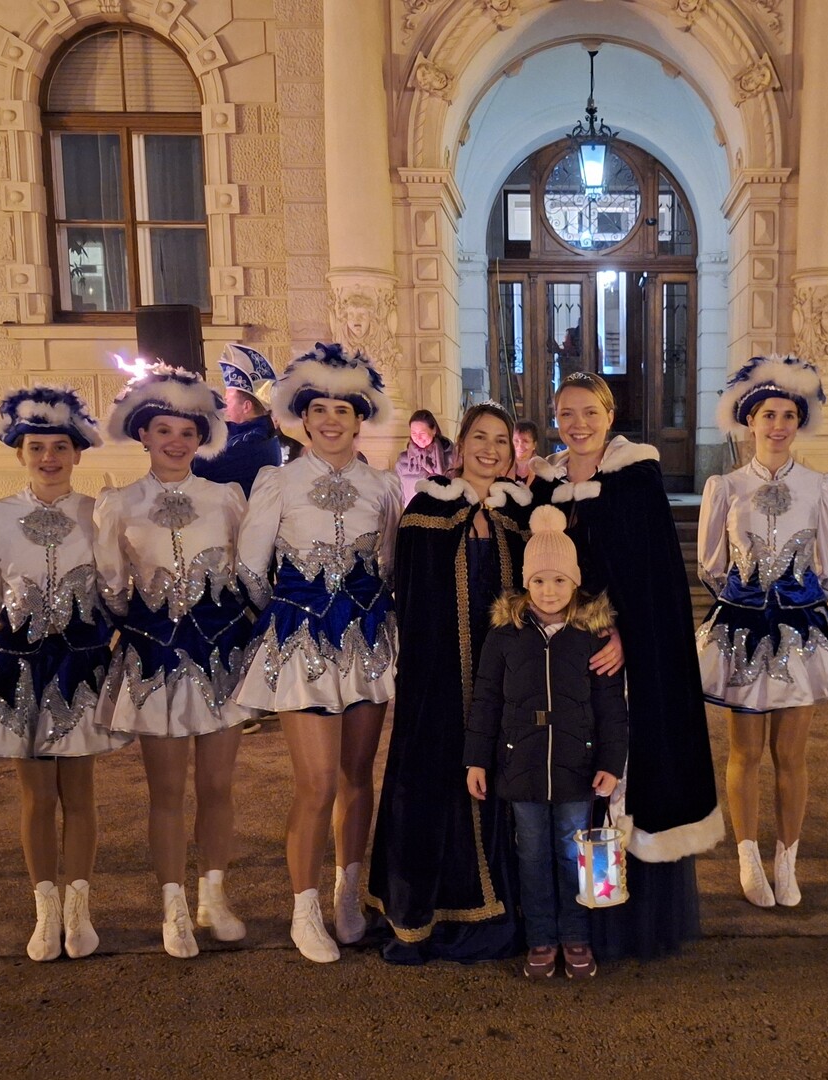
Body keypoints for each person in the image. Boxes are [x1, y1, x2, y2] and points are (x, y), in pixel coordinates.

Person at [0, 386, 129, 961]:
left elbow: (114, 587)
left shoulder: (98, 513)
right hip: (21, 669)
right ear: (19, 453)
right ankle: (46, 912)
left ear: (77, 453)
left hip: (81, 666)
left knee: (80, 793)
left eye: (60, 446)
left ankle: (79, 912)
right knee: (37, 797)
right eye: (36, 447)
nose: (49, 457)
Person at [527, 370, 723, 960]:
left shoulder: (635, 480)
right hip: (562, 661)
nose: (578, 423)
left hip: (622, 665)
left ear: (610, 417)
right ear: (555, 418)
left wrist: (629, 639)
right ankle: (574, 922)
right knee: (572, 784)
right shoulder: (545, 485)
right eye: (567, 413)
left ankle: (619, 917)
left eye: (590, 411)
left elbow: (655, 582)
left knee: (618, 780)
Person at [233, 343, 402, 963]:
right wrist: (292, 610)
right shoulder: (277, 481)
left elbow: (391, 565)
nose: (332, 421)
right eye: (320, 410)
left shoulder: (383, 486)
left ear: (360, 419)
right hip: (300, 643)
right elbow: (250, 568)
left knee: (359, 776)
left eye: (343, 410)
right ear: (302, 417)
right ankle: (303, 908)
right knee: (316, 783)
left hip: (366, 644)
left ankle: (347, 895)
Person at [94, 365, 256, 958]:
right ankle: (174, 908)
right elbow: (112, 589)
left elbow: (244, 573)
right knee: (166, 793)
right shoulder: (118, 504)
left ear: (202, 437)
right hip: (154, 660)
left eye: (187, 432)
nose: (176, 441)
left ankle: (214, 896)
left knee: (217, 786)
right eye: (163, 430)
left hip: (220, 660)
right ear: (143, 434)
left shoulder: (226, 497)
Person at [365, 402, 535, 963]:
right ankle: (428, 913)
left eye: (501, 441)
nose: (491, 449)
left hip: (506, 679)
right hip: (440, 678)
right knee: (435, 783)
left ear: (512, 452)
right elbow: (411, 599)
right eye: (480, 438)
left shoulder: (519, 517)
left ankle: (507, 907)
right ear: (459, 445)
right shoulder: (426, 511)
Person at [696, 356, 828, 908]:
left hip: (799, 632)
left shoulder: (821, 486)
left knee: (792, 753)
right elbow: (711, 564)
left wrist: (795, 596)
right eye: (768, 415)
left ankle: (788, 858)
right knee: (745, 751)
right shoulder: (726, 486)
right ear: (750, 422)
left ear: (799, 422)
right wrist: (749, 595)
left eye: (788, 415)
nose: (778, 426)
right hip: (742, 629)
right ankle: (748, 856)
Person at [465, 505, 630, 979]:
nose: (549, 590)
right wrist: (476, 759)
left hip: (578, 771)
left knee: (574, 853)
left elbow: (611, 708)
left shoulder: (591, 636)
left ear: (575, 582)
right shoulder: (505, 635)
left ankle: (576, 936)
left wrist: (612, 762)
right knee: (532, 855)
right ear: (525, 583)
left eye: (559, 580)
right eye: (538, 581)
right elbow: (486, 700)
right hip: (521, 767)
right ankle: (541, 938)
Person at [194, 343, 284, 495]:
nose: (225, 404)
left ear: (246, 406)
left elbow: (197, 467)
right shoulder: (247, 432)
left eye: (228, 399)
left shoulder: (254, 444)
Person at [394, 408, 452, 504]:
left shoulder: (451, 456)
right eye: (414, 433)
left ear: (434, 430)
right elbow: (398, 493)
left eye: (422, 433)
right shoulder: (403, 461)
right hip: (414, 512)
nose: (418, 438)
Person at [512, 419, 542, 483]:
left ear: (534, 445)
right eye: (516, 441)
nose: (520, 446)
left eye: (525, 441)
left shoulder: (542, 471)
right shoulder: (501, 467)